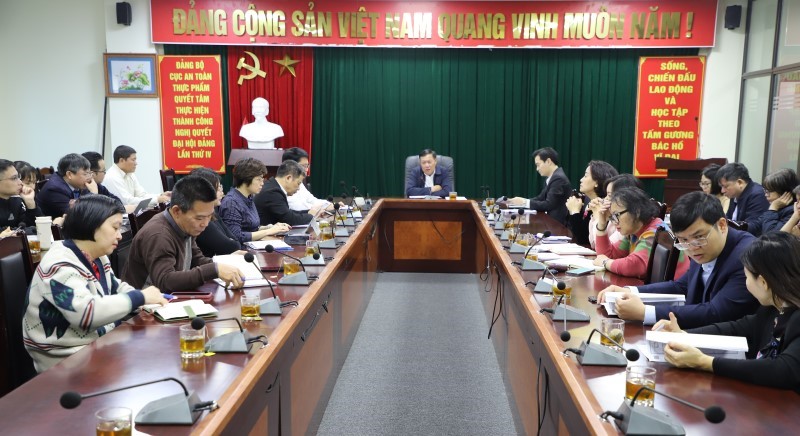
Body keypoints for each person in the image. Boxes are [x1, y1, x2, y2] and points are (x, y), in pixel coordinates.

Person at [21, 195, 167, 372]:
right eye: (115, 228)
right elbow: (86, 313)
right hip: (65, 360)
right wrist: (140, 297)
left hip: (98, 346)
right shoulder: (59, 265)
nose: (120, 235)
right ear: (91, 224)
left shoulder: (97, 256)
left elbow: (116, 287)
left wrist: (148, 302)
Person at [654, 232, 800, 392]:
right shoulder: (773, 308)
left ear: (763, 282)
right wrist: (685, 335)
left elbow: (783, 369)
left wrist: (705, 362)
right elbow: (738, 328)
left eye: (747, 277)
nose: (746, 283)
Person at [598, 191, 760, 328]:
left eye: (699, 237)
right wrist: (630, 291)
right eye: (683, 240)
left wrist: (645, 312)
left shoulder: (746, 255)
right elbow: (681, 286)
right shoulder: (700, 247)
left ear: (722, 225)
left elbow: (716, 312)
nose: (692, 248)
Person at [123, 175, 244, 292]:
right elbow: (165, 281)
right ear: (177, 211)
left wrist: (225, 264)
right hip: (146, 303)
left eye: (209, 216)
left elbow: (197, 260)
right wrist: (214, 270)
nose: (205, 224)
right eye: (199, 218)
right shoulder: (159, 234)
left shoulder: (184, 225)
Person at [592, 187, 690, 280]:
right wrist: (602, 224)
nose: (614, 222)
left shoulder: (655, 232)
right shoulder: (634, 232)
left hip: (672, 289)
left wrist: (605, 262)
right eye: (612, 217)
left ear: (637, 211)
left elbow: (632, 266)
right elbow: (607, 255)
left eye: (616, 215)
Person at [219, 158, 291, 244]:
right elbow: (236, 236)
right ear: (246, 179)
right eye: (259, 179)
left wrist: (271, 227)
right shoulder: (231, 202)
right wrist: (268, 231)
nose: (262, 183)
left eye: (262, 179)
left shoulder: (248, 197)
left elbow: (251, 228)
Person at [507, 147, 571, 224]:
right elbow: (540, 198)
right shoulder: (552, 177)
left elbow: (549, 204)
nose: (537, 169)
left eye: (538, 165)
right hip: (550, 222)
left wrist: (524, 202)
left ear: (548, 161)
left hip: (557, 224)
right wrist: (521, 202)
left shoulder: (558, 178)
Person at [564, 160, 618, 247]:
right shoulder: (590, 202)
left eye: (585, 176)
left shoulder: (604, 207)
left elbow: (583, 239)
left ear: (597, 182)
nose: (581, 180)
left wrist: (574, 212)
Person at [191, 167, 242, 257]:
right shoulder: (201, 219)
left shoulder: (213, 210)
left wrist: (231, 241)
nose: (222, 193)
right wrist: (231, 241)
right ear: (206, 192)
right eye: (218, 189)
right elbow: (230, 247)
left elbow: (235, 241)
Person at [103, 145, 171, 208]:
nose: (136, 163)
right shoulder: (112, 177)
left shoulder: (130, 174)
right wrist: (157, 199)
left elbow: (142, 195)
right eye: (133, 160)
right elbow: (128, 202)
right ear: (121, 160)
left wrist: (161, 196)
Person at [254, 160, 316, 226]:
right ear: (288, 178)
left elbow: (288, 213)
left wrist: (308, 212)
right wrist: (311, 216)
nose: (298, 188)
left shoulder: (273, 186)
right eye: (298, 183)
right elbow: (290, 219)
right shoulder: (272, 192)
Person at [38, 153, 95, 218]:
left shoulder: (79, 184)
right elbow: (78, 216)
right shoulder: (55, 189)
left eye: (90, 173)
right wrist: (93, 194)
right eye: (85, 174)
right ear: (69, 175)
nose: (89, 177)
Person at [746, 168, 797, 236]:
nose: (766, 195)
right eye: (765, 191)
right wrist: (738, 225)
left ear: (785, 192)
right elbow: (756, 226)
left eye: (769, 191)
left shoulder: (793, 211)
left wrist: (773, 208)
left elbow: (770, 236)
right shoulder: (778, 207)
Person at [282, 147, 333, 212]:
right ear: (290, 166)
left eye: (307, 166)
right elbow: (297, 207)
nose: (306, 169)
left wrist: (330, 205)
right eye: (303, 166)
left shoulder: (300, 183)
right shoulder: (284, 185)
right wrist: (323, 207)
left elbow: (312, 200)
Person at [0, 159, 41, 236]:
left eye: (18, 177)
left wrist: (31, 204)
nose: (20, 183)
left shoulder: (16, 201)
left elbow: (39, 228)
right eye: (14, 178)